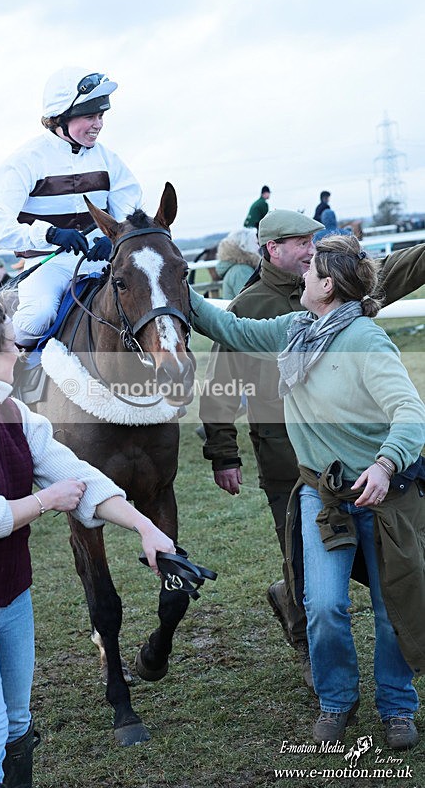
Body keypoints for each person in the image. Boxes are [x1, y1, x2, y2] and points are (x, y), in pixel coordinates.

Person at [0, 296, 175, 787]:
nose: (22, 352)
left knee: (17, 727)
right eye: (13, 344)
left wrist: (145, 527)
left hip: (12, 597)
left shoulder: (12, 410)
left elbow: (79, 475)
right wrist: (47, 500)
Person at [191, 234, 425, 749]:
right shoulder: (295, 330)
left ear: (328, 285)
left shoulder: (366, 341)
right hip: (323, 494)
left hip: (384, 495)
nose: (302, 273)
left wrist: (385, 464)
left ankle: (397, 708)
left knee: (391, 609)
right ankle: (337, 701)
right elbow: (229, 327)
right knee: (321, 605)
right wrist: (166, 276)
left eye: (311, 267)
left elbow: (410, 413)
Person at [0, 66, 142, 347]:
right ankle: (14, 370)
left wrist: (114, 239)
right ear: (61, 117)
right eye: (90, 116)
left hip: (104, 260)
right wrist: (50, 234)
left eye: (101, 116)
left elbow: (131, 211)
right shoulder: (25, 161)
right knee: (37, 317)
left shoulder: (110, 160)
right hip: (50, 264)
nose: (98, 124)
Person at [215, 228, 261, 300]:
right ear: (244, 246)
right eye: (255, 243)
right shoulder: (241, 271)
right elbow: (252, 300)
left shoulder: (238, 269)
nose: (258, 247)